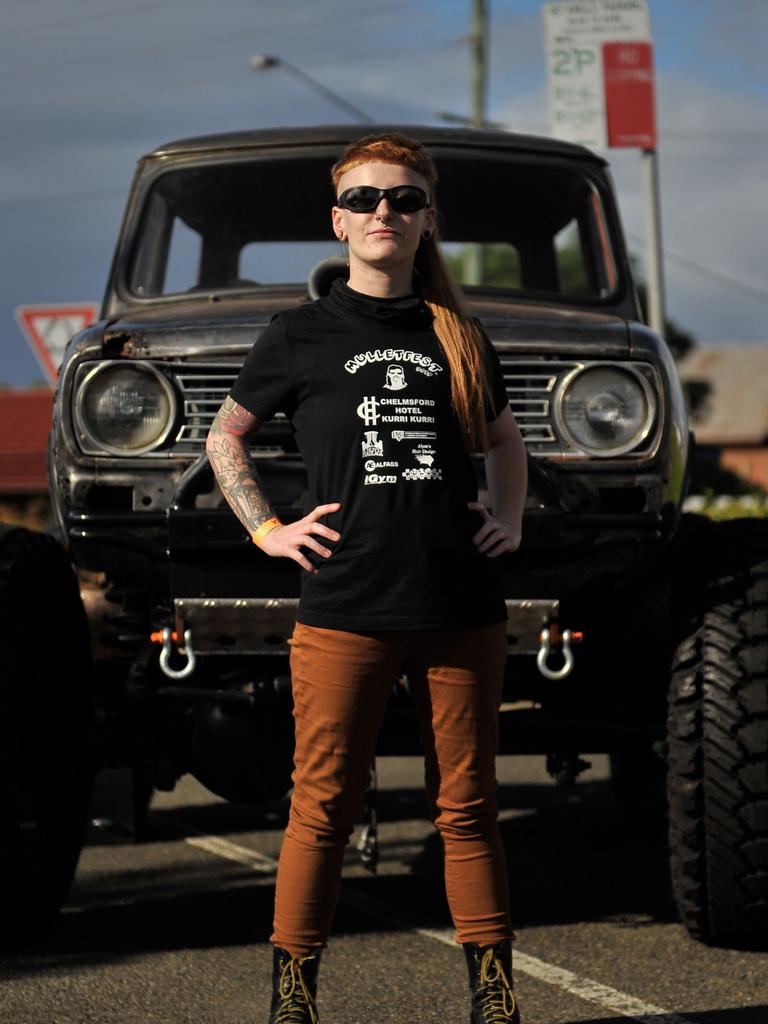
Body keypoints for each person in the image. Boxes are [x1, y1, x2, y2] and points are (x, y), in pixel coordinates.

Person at [206, 131, 528, 1024]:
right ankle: (294, 1001)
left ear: (429, 220)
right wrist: (268, 529)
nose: (385, 211)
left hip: (462, 606)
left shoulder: (458, 336)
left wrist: (508, 521)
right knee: (322, 810)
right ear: (338, 221)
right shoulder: (298, 334)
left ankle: (494, 999)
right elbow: (224, 434)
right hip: (345, 608)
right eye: (366, 199)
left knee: (466, 807)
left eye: (405, 199)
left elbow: (505, 443)